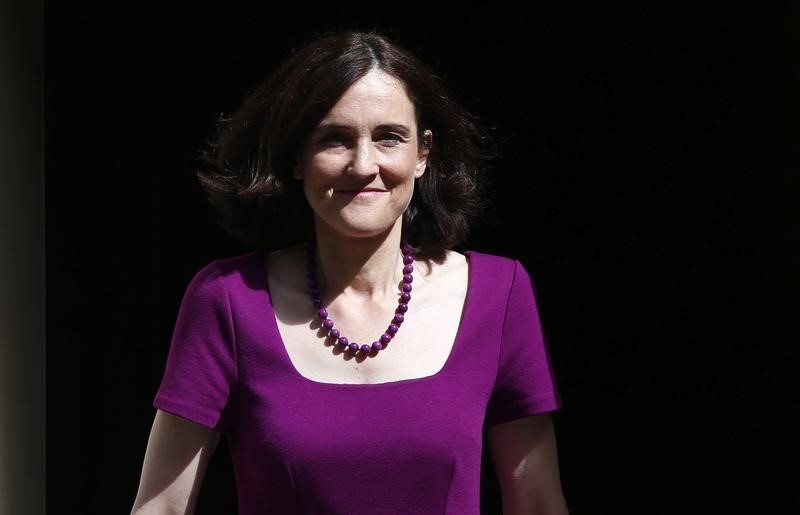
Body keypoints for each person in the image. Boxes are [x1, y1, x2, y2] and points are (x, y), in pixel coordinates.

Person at [131, 30, 568, 515]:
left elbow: (537, 503)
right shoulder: (228, 300)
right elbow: (161, 508)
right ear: (297, 156)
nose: (364, 165)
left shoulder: (498, 295)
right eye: (335, 139)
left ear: (423, 154)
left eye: (389, 137)